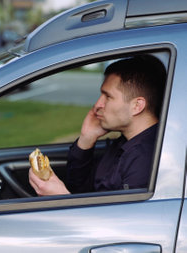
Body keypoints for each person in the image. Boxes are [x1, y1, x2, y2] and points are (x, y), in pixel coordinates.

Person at [29, 55, 166, 196]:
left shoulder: (146, 160)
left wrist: (61, 198)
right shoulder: (124, 142)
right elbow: (81, 190)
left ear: (137, 106)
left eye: (108, 97)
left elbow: (125, 217)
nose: (97, 105)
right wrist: (86, 138)